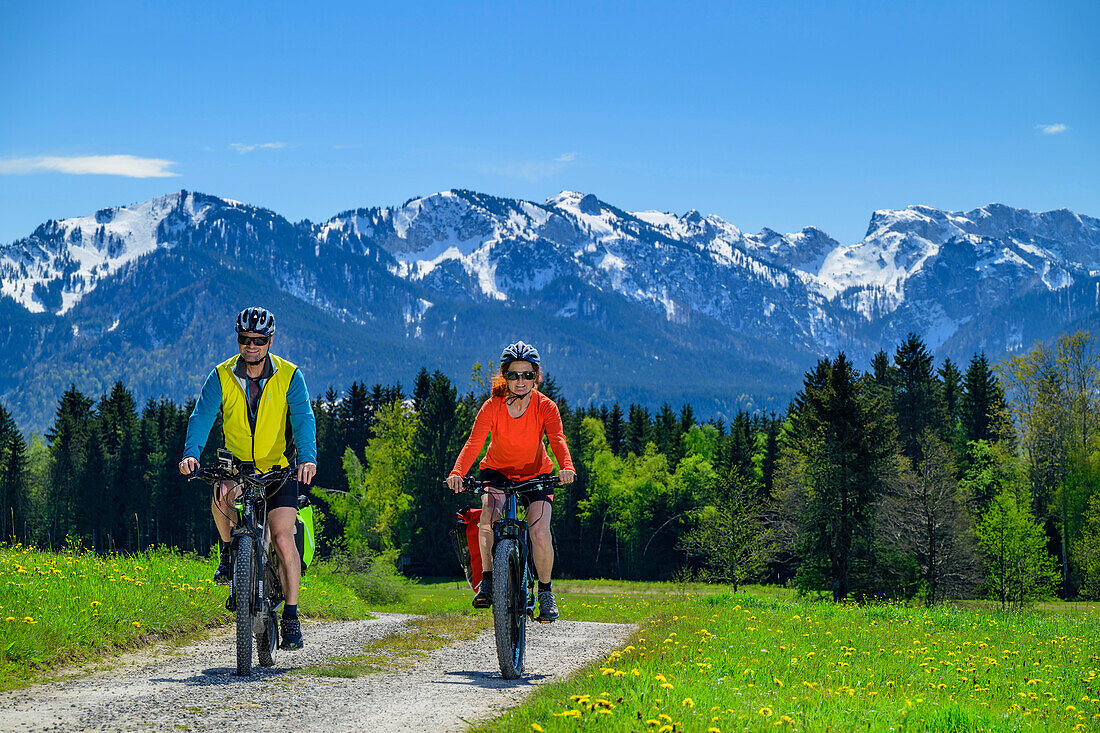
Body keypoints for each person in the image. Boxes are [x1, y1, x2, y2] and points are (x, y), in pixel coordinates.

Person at [178, 306, 317, 650]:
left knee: (284, 539)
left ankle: (292, 617)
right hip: (237, 464)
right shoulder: (221, 375)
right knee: (220, 495)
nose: (251, 346)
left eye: (258, 340)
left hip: (278, 469)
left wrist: (308, 459)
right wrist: (191, 453)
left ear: (270, 341)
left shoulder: (289, 375)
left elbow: (303, 419)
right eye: (245, 339)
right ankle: (229, 554)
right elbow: (202, 416)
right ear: (238, 339)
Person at [446, 341, 575, 621]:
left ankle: (545, 591)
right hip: (497, 472)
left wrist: (566, 466)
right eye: (514, 375)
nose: (520, 381)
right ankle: (490, 581)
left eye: (527, 375)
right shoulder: (492, 407)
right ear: (505, 376)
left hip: (537, 473)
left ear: (536, 376)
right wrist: (457, 472)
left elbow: (557, 440)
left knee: (540, 533)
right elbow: (474, 443)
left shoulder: (546, 407)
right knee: (487, 522)